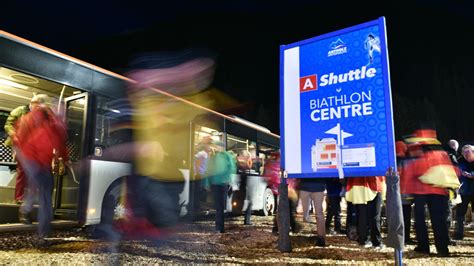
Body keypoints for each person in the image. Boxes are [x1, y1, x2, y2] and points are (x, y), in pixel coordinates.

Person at [15, 94, 67, 242]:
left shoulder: (46, 120)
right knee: (45, 194)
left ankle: (27, 212)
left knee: (36, 187)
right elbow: (59, 141)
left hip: (37, 160)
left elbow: (59, 142)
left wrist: (63, 158)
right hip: (34, 159)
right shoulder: (49, 120)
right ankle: (43, 231)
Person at [402, 128, 459, 257]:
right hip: (440, 191)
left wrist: (407, 189)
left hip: (421, 191)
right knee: (439, 221)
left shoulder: (419, 156)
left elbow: (411, 172)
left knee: (420, 221)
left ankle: (423, 248)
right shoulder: (442, 154)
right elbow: (452, 172)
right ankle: (443, 249)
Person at [3, 96, 38, 205]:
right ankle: (19, 197)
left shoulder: (38, 115)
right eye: (36, 104)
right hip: (20, 143)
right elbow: (8, 124)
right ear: (31, 103)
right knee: (22, 171)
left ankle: (27, 197)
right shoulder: (20, 110)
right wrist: (13, 134)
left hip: (32, 146)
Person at [204, 141, 236, 233]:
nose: (217, 148)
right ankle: (219, 227)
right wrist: (207, 183)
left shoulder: (227, 156)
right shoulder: (214, 157)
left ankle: (219, 227)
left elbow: (232, 168)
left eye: (218, 146)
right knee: (219, 206)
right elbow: (208, 170)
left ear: (222, 147)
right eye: (216, 146)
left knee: (220, 206)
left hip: (223, 183)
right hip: (216, 184)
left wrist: (228, 179)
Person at [345, 176, 386, 249]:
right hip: (364, 185)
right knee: (367, 216)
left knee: (367, 216)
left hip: (365, 185)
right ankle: (370, 240)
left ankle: (370, 240)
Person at [454, 145, 474, 240]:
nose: (465, 154)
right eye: (464, 152)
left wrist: (471, 175)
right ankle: (459, 234)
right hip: (463, 192)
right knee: (460, 214)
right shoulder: (459, 161)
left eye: (468, 152)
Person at [299, 178, 326, 246]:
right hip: (306, 187)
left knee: (319, 214)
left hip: (317, 187)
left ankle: (321, 238)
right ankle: (320, 237)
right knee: (307, 214)